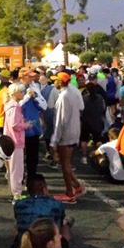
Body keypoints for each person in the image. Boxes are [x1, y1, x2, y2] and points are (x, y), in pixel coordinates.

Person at [13, 174, 72, 248]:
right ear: (44, 188)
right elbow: (60, 220)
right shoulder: (56, 204)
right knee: (64, 225)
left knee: (17, 225)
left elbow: (17, 218)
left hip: (26, 247)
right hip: (50, 246)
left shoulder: (19, 204)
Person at [49, 72, 85, 204]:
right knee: (66, 162)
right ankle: (76, 186)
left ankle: (70, 192)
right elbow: (82, 107)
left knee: (65, 164)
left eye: (55, 80)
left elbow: (60, 121)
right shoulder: (75, 91)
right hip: (75, 130)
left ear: (60, 82)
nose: (54, 82)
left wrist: (54, 140)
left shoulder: (63, 96)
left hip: (66, 133)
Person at [4, 83, 32, 202]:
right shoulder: (15, 107)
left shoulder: (10, 105)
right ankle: (17, 193)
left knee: (13, 168)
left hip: (11, 139)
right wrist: (26, 125)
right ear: (15, 93)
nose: (22, 93)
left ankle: (16, 190)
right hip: (16, 140)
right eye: (21, 92)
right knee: (17, 168)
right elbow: (15, 125)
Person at [79, 81, 106, 165]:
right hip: (97, 121)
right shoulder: (100, 98)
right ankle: (100, 157)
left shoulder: (84, 98)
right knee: (98, 139)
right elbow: (104, 108)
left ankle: (84, 157)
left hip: (86, 122)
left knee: (84, 140)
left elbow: (80, 110)